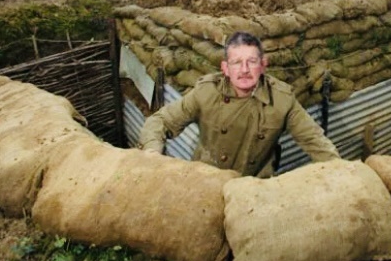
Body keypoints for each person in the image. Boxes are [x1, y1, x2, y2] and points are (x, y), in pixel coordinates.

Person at [139, 31, 340, 177]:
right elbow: (160, 121)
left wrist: (342, 171)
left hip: (254, 188)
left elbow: (315, 140)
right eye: (236, 63)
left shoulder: (282, 99)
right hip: (207, 181)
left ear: (263, 65)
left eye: (252, 62)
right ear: (225, 68)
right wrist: (152, 153)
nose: (244, 70)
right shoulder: (207, 92)